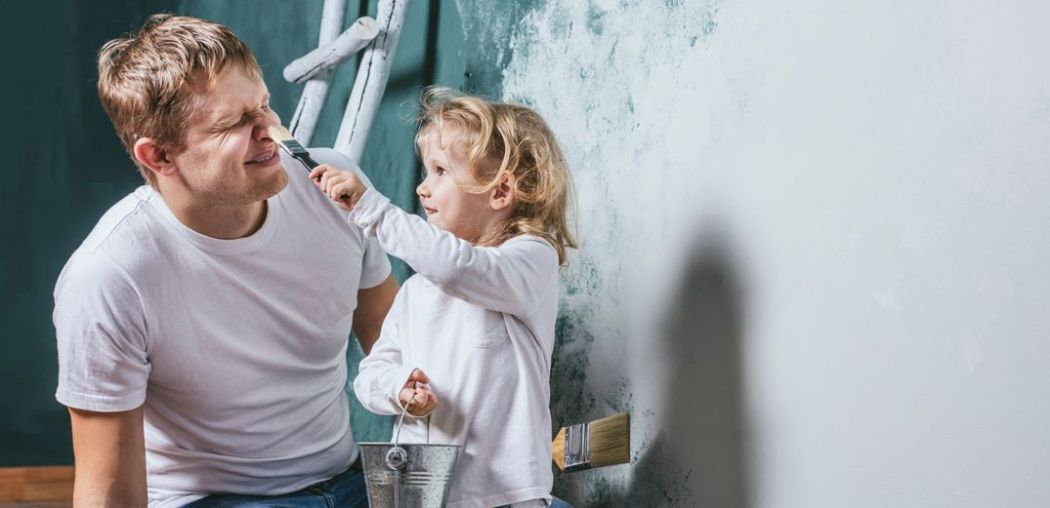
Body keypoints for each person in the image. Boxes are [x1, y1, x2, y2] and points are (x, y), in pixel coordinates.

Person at [53, 14, 398, 507]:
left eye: (264, 106)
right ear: (159, 156)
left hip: (352, 484)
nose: (272, 132)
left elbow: (399, 339)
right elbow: (108, 492)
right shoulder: (108, 276)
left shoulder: (334, 184)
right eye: (235, 122)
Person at [310, 87, 577, 508]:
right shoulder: (417, 291)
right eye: (425, 171)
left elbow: (460, 268)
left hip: (507, 496)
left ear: (500, 192)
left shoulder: (529, 263)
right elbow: (368, 375)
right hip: (420, 496)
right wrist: (399, 388)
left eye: (440, 171)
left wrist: (372, 210)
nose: (422, 188)